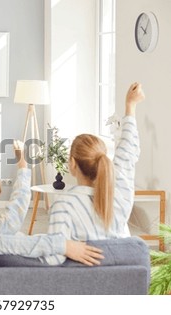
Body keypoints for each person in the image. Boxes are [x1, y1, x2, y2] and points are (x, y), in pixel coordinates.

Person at [44, 82, 145, 265]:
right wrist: (130, 106)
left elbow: (53, 260)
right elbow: (127, 153)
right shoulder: (119, 194)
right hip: (122, 281)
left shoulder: (64, 205)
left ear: (72, 164)